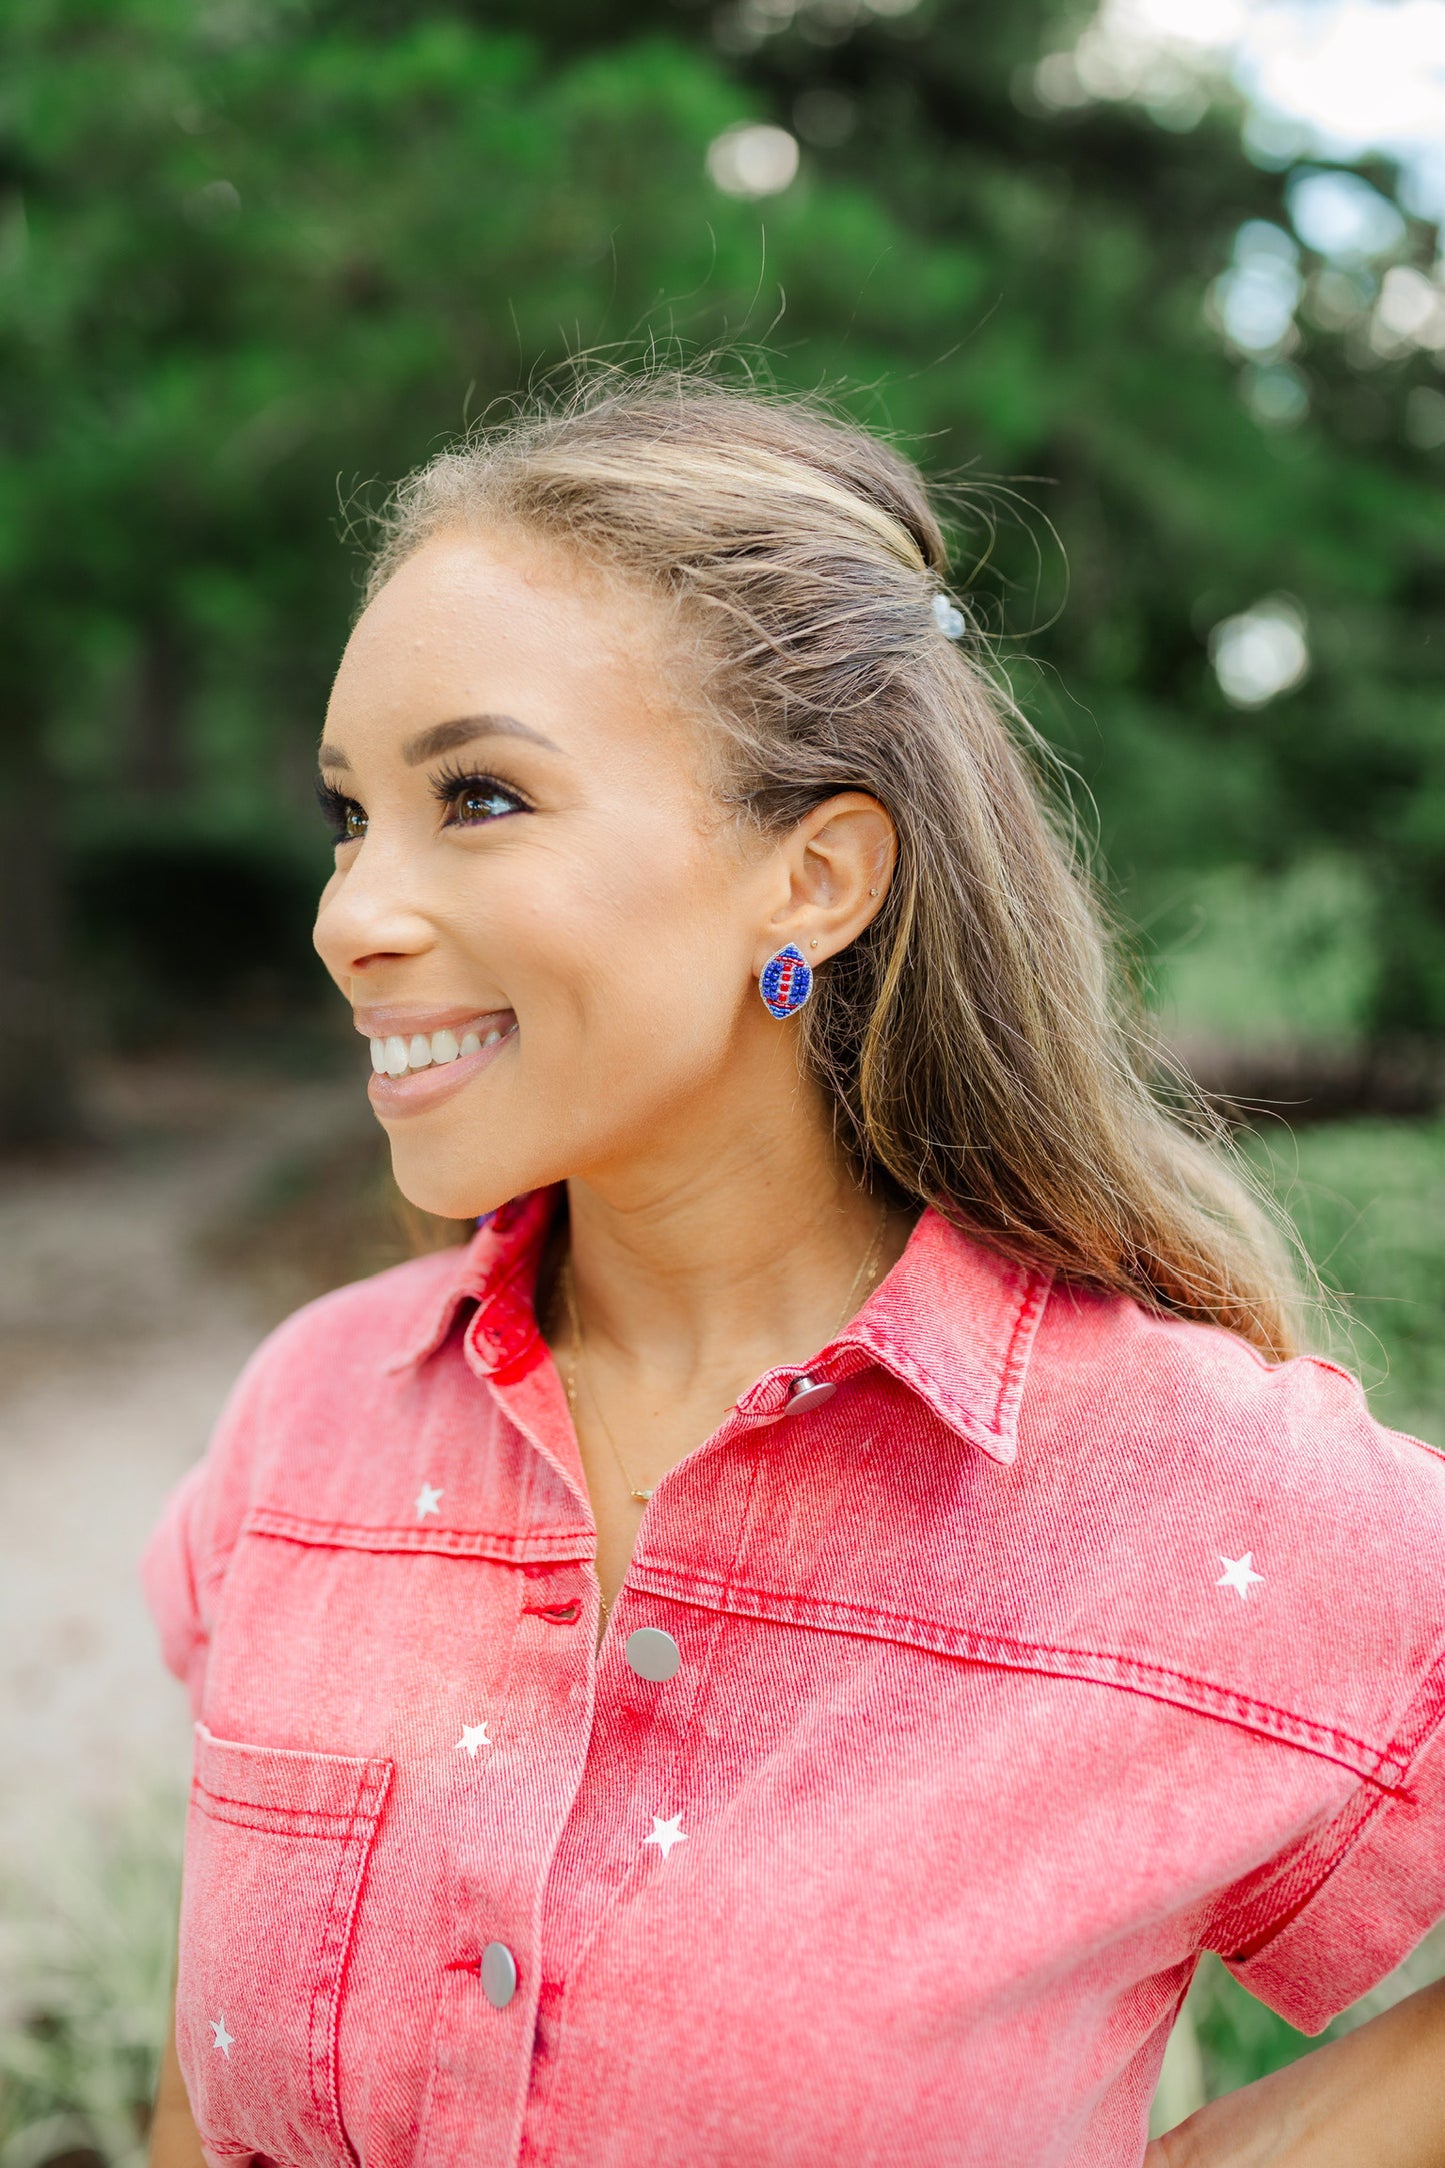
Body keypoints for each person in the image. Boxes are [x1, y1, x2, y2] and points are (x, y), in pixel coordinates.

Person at [142, 370, 1445, 2168]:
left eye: (485, 797)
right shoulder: (309, 1425)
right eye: (349, 812)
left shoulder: (1199, 1493)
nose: (351, 913)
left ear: (815, 877)